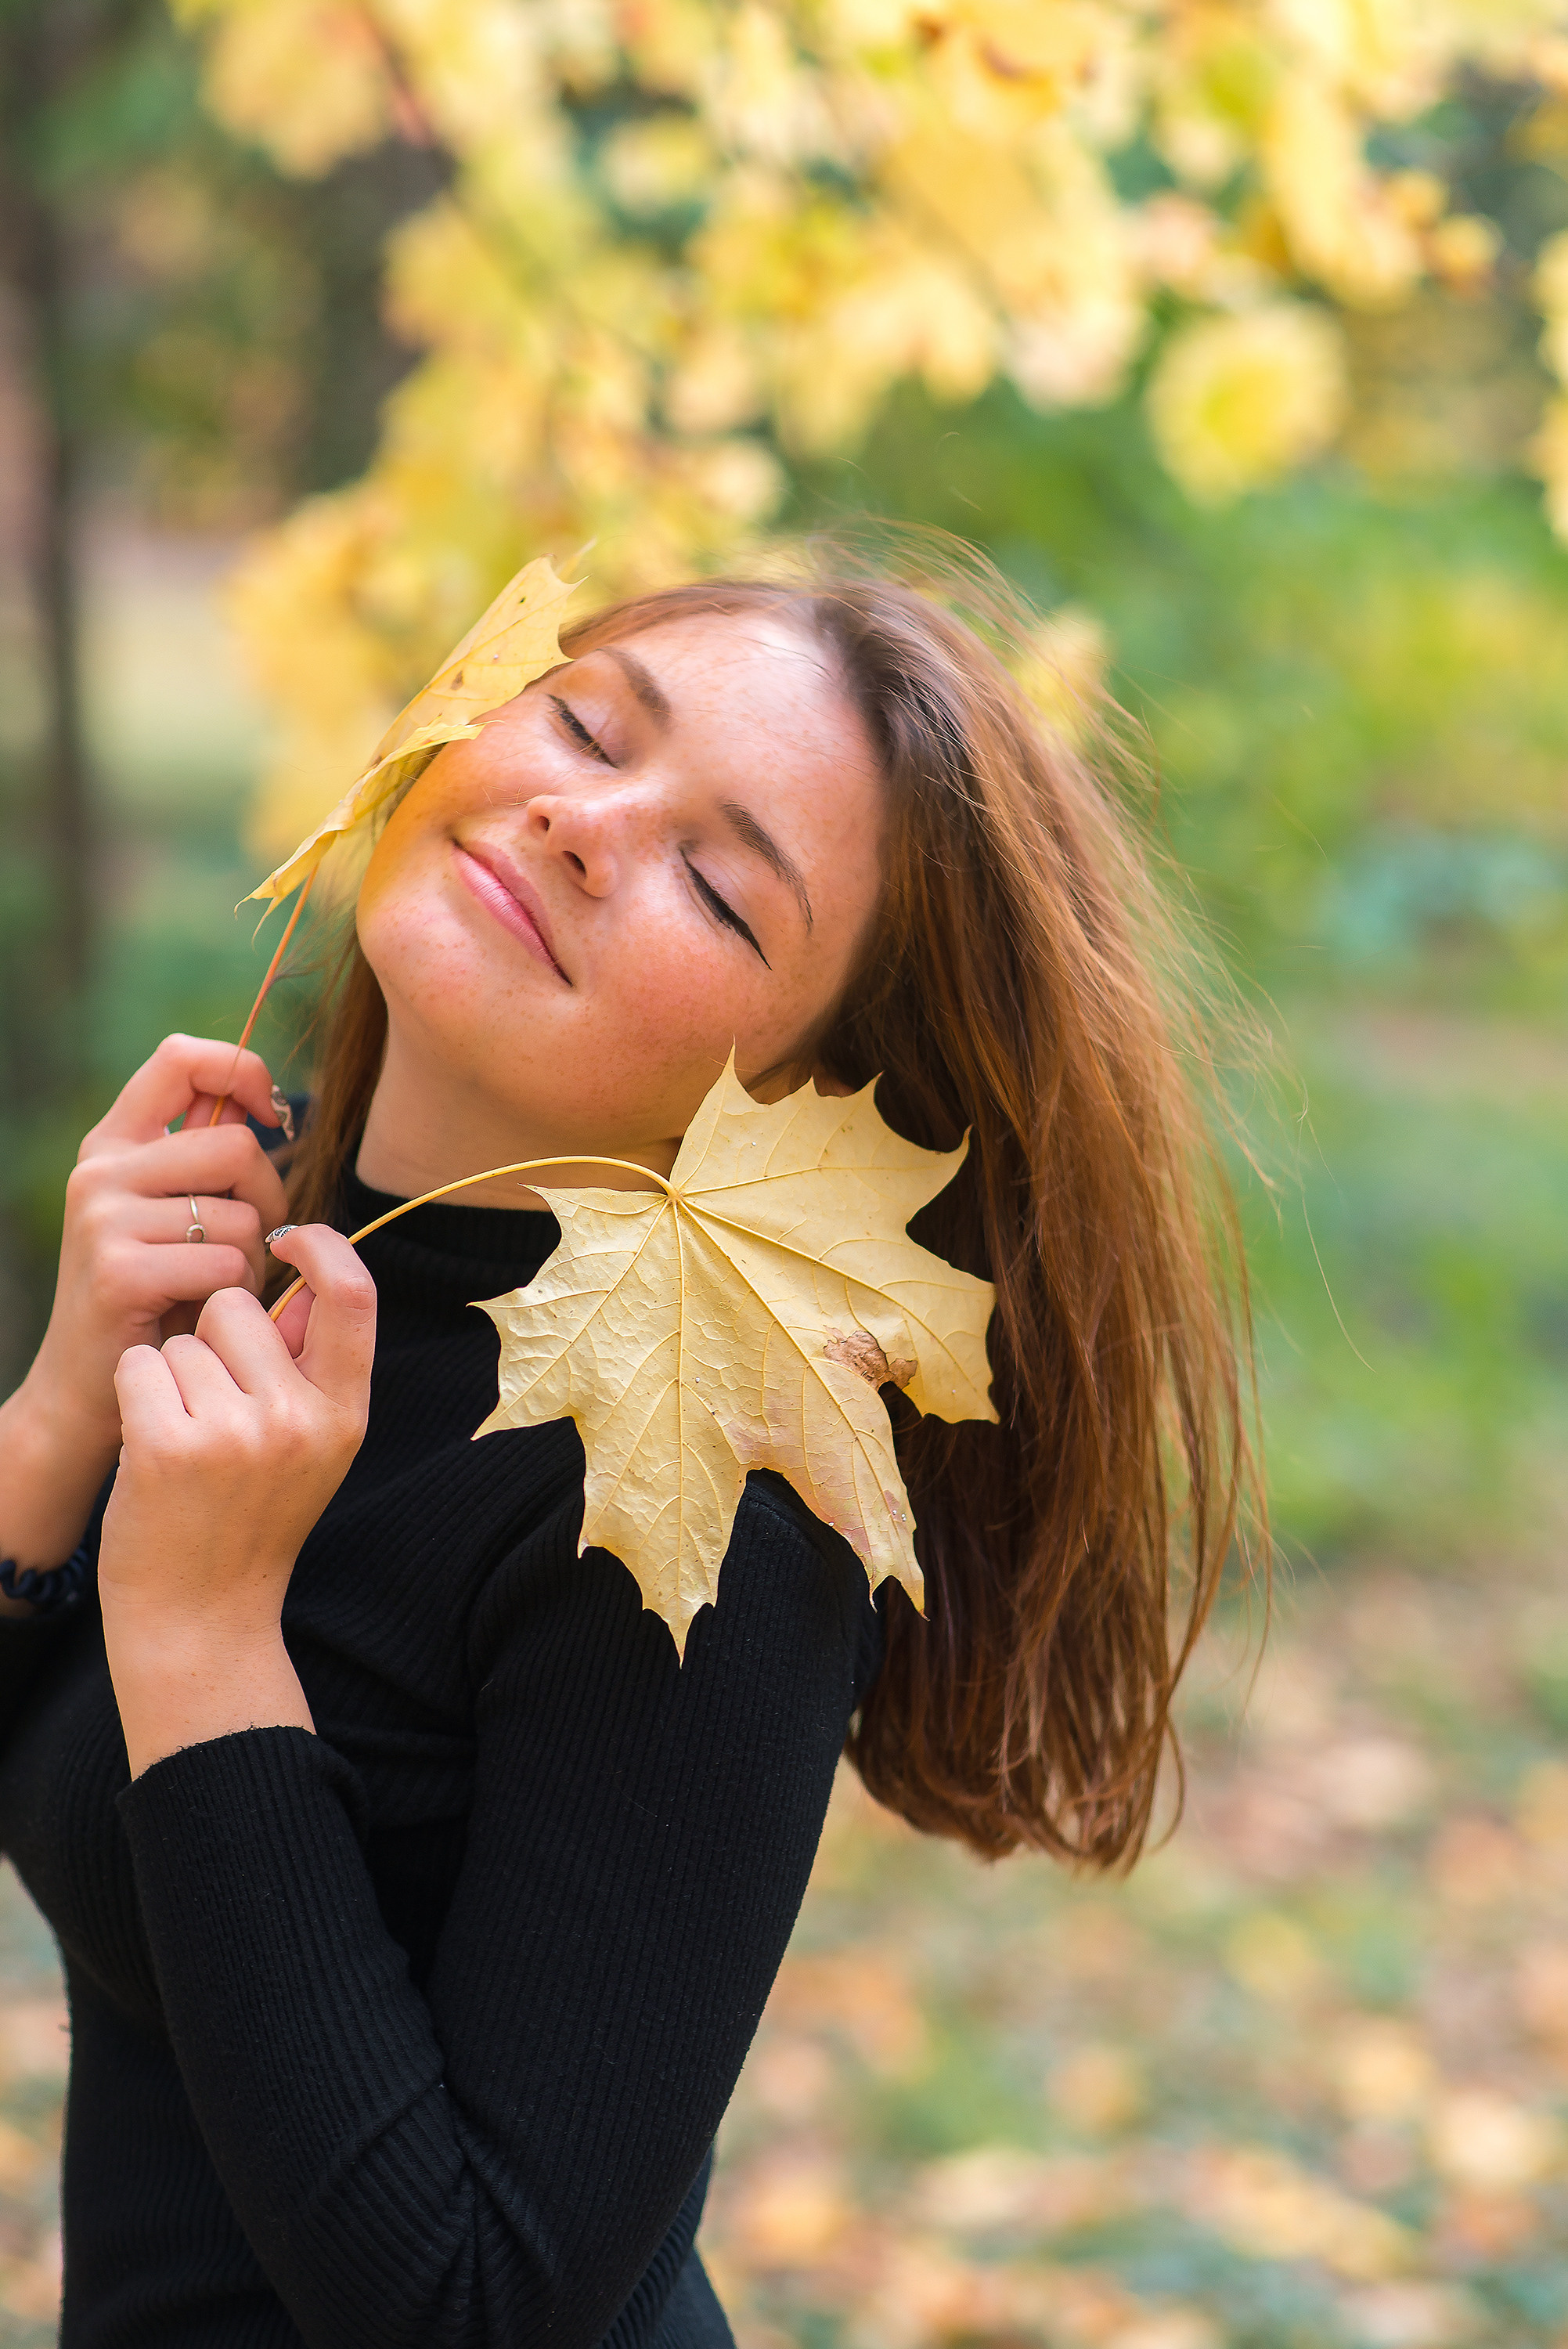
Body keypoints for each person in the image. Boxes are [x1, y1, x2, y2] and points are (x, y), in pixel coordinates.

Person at [0, 553, 1258, 2347]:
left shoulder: (701, 1514)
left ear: (812, 1114)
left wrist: (207, 1645)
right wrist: (62, 1403)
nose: (588, 823)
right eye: (585, 724)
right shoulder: (276, 1280)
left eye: (722, 890)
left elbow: (489, 2305)